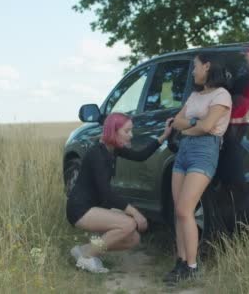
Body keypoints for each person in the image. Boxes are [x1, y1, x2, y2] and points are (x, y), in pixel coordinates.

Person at [66, 112, 173, 273]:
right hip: (80, 209)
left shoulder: (113, 149)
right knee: (128, 224)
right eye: (127, 131)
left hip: (93, 208)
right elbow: (107, 194)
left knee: (133, 239)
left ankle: (84, 250)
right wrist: (135, 213)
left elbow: (140, 155)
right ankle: (86, 258)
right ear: (113, 132)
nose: (131, 135)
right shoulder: (97, 153)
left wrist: (164, 136)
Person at [163, 52, 232, 284]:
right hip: (184, 151)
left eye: (195, 66)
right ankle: (181, 262)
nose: (193, 71)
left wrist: (189, 126)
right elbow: (177, 122)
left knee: (185, 210)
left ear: (208, 66)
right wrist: (192, 125)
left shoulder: (222, 95)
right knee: (178, 212)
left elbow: (207, 126)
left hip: (204, 152)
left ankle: (192, 267)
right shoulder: (194, 95)